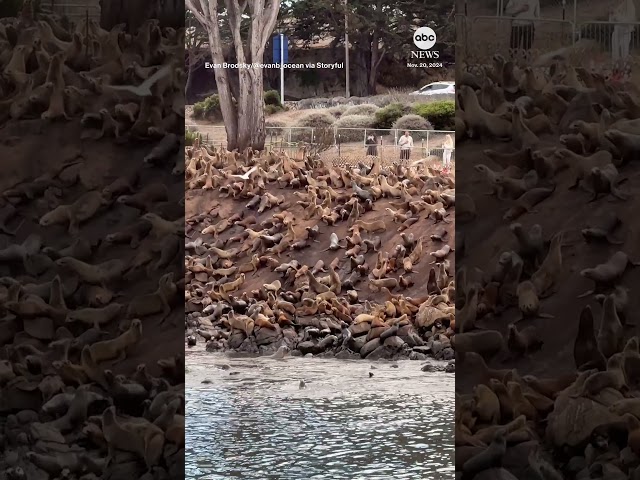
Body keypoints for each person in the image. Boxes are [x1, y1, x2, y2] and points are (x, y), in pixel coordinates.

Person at [610, 0, 636, 66]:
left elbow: (629, 20)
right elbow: (611, 21)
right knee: (615, 55)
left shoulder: (630, 5)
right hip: (616, 33)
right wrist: (612, 15)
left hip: (625, 33)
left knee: (624, 55)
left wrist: (617, 16)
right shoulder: (616, 5)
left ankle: (624, 71)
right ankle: (615, 70)